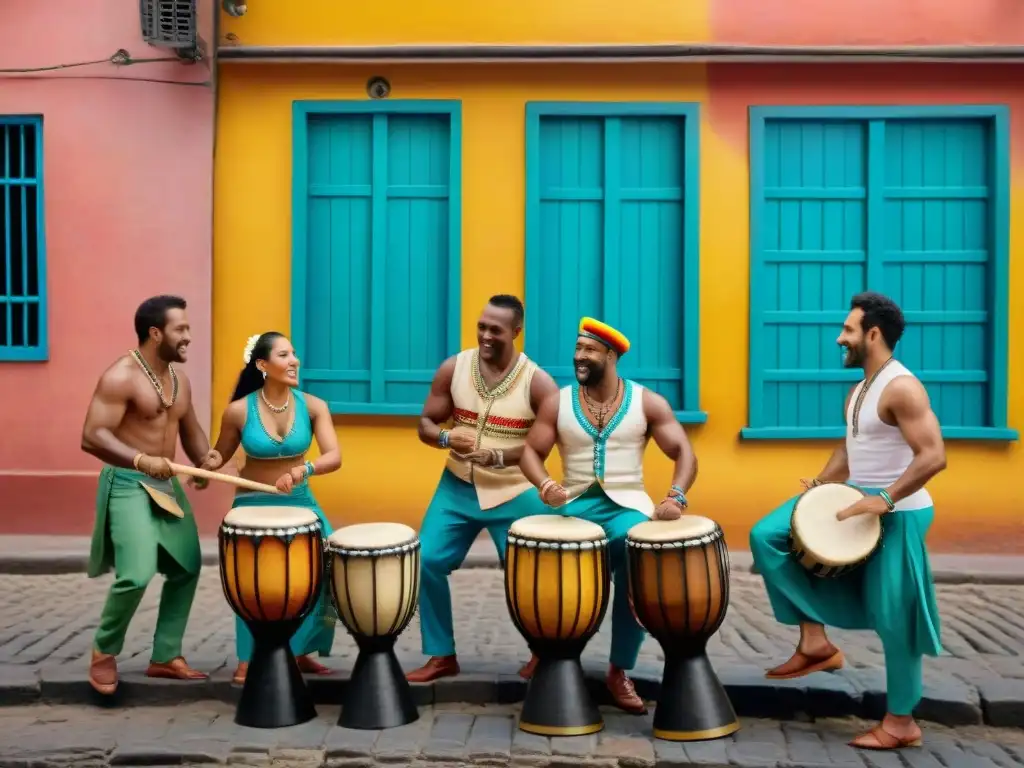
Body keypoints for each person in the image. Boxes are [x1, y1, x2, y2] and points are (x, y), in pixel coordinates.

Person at [749, 291, 946, 751]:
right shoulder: (859, 389)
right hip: (853, 499)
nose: (840, 338)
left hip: (899, 513)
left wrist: (887, 497)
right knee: (770, 535)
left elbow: (933, 455)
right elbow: (850, 449)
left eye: (848, 330)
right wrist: (819, 486)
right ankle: (815, 641)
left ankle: (901, 721)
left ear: (872, 334)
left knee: (894, 615)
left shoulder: (903, 387)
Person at [518, 317, 699, 714]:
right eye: (577, 349)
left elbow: (684, 452)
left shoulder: (647, 402)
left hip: (627, 507)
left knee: (637, 563)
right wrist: (546, 485)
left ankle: (619, 672)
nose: (578, 357)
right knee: (548, 573)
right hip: (573, 504)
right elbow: (530, 452)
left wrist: (676, 497)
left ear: (611, 355)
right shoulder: (558, 402)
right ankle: (547, 653)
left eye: (588, 351)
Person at [405, 295, 559, 683]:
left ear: (517, 332)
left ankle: (543, 652)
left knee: (530, 575)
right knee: (426, 562)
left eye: (496, 330)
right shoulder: (453, 368)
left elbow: (542, 447)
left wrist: (499, 457)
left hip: (514, 491)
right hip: (456, 487)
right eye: (481, 326)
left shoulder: (539, 383)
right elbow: (425, 422)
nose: (486, 335)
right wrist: (443, 439)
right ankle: (441, 655)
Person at [80, 295, 218, 696]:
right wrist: (141, 460)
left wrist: (205, 460)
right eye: (181, 329)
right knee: (136, 574)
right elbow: (92, 436)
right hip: (127, 483)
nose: (188, 336)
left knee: (187, 567)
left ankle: (165, 656)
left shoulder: (178, 380)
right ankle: (104, 651)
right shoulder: (120, 376)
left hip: (167, 485)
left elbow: (190, 431)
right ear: (155, 333)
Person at [200, 331, 342, 685]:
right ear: (263, 365)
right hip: (252, 504)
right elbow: (221, 453)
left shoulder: (313, 406)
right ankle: (248, 657)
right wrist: (209, 464)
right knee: (252, 580)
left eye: (294, 353)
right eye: (284, 355)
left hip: (300, 501)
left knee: (331, 567)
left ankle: (302, 649)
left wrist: (302, 470)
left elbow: (334, 456)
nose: (294, 360)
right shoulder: (237, 410)